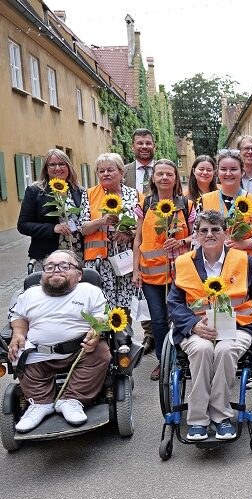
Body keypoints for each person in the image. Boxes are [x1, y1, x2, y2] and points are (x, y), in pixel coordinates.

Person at [168, 211, 252, 441]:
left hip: (237, 326)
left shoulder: (242, 259)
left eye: (215, 229)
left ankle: (221, 416)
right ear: (196, 235)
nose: (210, 234)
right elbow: (174, 304)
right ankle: (197, 419)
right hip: (198, 328)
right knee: (202, 349)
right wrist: (194, 325)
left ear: (225, 232)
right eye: (204, 230)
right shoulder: (183, 263)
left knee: (226, 350)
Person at [8, 250, 111, 432]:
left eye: (64, 266)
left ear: (79, 275)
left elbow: (101, 317)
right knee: (18, 353)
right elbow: (18, 316)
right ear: (42, 274)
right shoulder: (30, 294)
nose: (56, 270)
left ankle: (72, 400)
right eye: (50, 266)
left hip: (79, 352)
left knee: (101, 351)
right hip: (38, 353)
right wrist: (18, 333)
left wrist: (95, 334)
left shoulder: (90, 291)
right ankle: (40, 403)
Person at [132, 159, 195, 380]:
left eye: (169, 174)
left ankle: (180, 357)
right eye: (160, 174)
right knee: (158, 320)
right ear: (154, 178)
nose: (165, 178)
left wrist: (182, 241)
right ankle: (163, 360)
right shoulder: (145, 204)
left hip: (180, 275)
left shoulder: (186, 205)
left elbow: (196, 236)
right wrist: (135, 270)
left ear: (176, 178)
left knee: (179, 318)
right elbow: (138, 238)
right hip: (150, 275)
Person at [80, 153, 140, 315]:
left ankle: (123, 338)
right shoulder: (90, 194)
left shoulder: (134, 195)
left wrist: (129, 233)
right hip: (99, 261)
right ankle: (105, 339)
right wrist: (101, 221)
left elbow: (142, 226)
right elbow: (83, 228)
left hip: (126, 258)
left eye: (110, 170)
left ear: (121, 172)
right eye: (101, 171)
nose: (105, 174)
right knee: (101, 305)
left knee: (125, 303)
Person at [200, 149, 252, 279]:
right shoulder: (205, 200)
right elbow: (196, 237)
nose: (228, 173)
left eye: (233, 169)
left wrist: (245, 243)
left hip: (247, 268)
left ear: (242, 171)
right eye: (223, 169)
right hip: (212, 267)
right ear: (217, 172)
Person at [17, 149, 84, 266]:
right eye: (52, 165)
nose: (57, 168)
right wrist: (53, 228)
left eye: (62, 164)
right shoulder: (35, 191)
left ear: (68, 167)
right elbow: (23, 225)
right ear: (46, 169)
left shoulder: (79, 191)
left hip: (77, 254)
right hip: (47, 255)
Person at [123, 128, 157, 353]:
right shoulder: (124, 171)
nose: (144, 147)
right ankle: (148, 333)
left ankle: (158, 332)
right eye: (140, 143)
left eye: (148, 143)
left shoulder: (163, 169)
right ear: (133, 146)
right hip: (127, 240)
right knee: (139, 290)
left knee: (156, 288)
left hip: (155, 239)